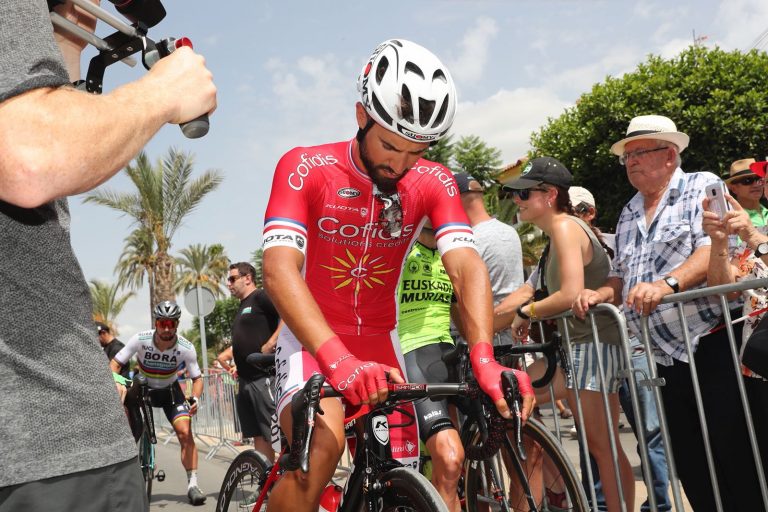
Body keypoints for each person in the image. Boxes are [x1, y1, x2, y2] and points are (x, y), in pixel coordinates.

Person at [260, 38, 534, 512]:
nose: (399, 164)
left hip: (382, 342)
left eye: (416, 151)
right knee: (320, 454)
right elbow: (280, 269)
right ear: (361, 115)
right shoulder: (304, 167)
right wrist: (339, 363)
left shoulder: (434, 181)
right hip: (312, 342)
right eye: (389, 145)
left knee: (402, 469)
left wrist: (485, 356)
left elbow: (466, 266)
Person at [0, 1, 215, 510]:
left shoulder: (178, 345)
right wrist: (163, 93)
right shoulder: (139, 341)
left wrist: (65, 37)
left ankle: (186, 478)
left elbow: (48, 118)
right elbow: (30, 154)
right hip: (43, 439)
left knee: (181, 427)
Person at [573, 114, 764, 510]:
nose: (631, 162)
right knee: (691, 464)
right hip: (662, 357)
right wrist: (600, 294)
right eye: (626, 156)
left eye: (640, 152)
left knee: (736, 457)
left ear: (670, 155)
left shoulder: (699, 186)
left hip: (715, 344)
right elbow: (622, 275)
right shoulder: (627, 212)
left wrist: (667, 284)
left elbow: (713, 249)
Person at [495, 157, 634, 511]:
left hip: (592, 345)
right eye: (514, 193)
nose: (517, 200)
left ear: (550, 194)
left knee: (602, 447)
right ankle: (555, 489)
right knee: (512, 394)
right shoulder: (561, 231)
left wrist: (527, 313)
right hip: (578, 347)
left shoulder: (565, 228)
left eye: (524, 193)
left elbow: (570, 294)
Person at [569, 186, 671, 512]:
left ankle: (658, 505)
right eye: (567, 212)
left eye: (580, 210)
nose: (574, 217)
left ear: (591, 212)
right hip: (598, 351)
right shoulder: (559, 250)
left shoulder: (616, 242)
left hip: (634, 347)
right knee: (600, 439)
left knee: (650, 433)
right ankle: (600, 504)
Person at [111, 301, 207, 506]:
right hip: (143, 388)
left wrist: (195, 398)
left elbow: (197, 378)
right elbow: (116, 364)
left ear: (177, 324)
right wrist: (117, 382)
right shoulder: (140, 340)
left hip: (170, 392)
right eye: (162, 322)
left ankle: (193, 484)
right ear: (156, 322)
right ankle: (125, 479)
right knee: (130, 431)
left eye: (171, 324)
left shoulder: (186, 348)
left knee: (184, 431)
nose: (166, 328)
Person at [396, 222, 464, 510]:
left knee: (462, 460)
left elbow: (462, 312)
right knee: (449, 459)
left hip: (450, 353)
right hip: (411, 354)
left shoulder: (454, 253)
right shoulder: (401, 250)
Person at [702, 190, 768, 470]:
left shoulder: (755, 235)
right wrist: (718, 244)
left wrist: (753, 237)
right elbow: (722, 291)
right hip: (757, 369)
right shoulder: (756, 234)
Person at [453, 172, 524, 346]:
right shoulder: (510, 231)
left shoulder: (467, 240)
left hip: (482, 339)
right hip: (512, 334)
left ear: (456, 200)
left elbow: (458, 295)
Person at [222, 261, 281, 462]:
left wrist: (271, 342)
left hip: (264, 377)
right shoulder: (242, 306)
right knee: (259, 434)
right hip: (246, 381)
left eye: (232, 279)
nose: (228, 284)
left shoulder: (261, 297)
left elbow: (287, 316)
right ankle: (265, 483)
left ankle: (290, 483)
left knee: (275, 433)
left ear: (247, 278)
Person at [724, 158, 768, 227]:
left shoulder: (766, 212)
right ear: (734, 189)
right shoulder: (732, 220)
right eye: (747, 180)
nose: (756, 184)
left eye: (759, 178)